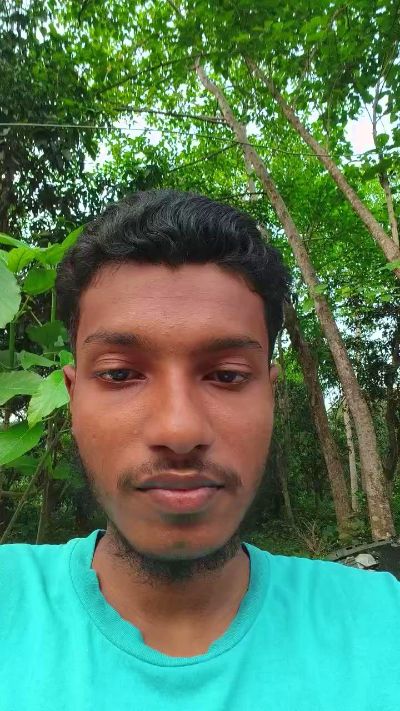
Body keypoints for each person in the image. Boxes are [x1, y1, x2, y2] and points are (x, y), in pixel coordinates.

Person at [0, 190, 399, 711]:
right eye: (120, 374)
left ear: (271, 396)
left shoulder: (383, 623)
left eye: (227, 376)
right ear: (73, 401)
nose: (180, 430)